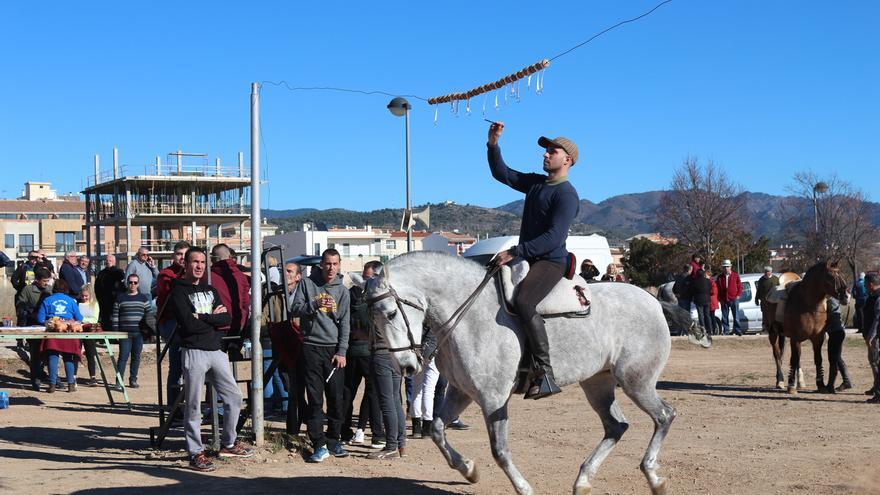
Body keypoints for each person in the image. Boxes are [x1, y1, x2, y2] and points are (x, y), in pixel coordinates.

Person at [486, 121, 580, 400]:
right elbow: (502, 173)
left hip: (551, 261)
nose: (545, 154)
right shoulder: (537, 184)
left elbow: (553, 237)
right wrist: (493, 144)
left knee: (525, 301)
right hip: (528, 255)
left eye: (552, 151)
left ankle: (544, 371)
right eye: (546, 151)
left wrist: (515, 252)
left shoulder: (567, 195)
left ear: (568, 159)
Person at [168, 246, 253, 472]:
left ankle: (228, 443)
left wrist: (204, 317)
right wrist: (212, 319)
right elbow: (188, 324)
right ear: (185, 265)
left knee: (234, 398)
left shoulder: (210, 289)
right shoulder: (178, 292)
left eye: (202, 262)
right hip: (194, 351)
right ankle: (196, 453)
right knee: (194, 404)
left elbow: (226, 317)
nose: (199, 266)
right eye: (194, 262)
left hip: (216, 350)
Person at [290, 248, 351, 462]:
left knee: (336, 398)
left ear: (340, 265)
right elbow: (295, 309)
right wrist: (314, 304)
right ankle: (319, 444)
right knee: (315, 399)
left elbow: (345, 324)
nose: (331, 268)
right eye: (327, 263)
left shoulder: (343, 291)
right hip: (311, 347)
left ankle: (334, 440)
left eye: (335, 264)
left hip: (334, 351)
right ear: (321, 264)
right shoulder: (307, 284)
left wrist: (342, 351)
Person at [342, 261, 384, 446]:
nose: (367, 281)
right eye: (365, 277)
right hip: (353, 352)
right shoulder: (352, 294)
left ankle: (372, 433)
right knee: (348, 393)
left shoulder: (382, 296)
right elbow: (344, 320)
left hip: (371, 353)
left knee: (372, 395)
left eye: (371, 278)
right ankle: (346, 431)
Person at [155, 240, 190, 412]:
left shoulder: (194, 273)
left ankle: (190, 405)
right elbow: (169, 292)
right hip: (171, 322)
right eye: (179, 254)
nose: (182, 258)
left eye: (186, 254)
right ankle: (174, 407)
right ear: (173, 256)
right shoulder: (165, 274)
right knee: (176, 366)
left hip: (188, 323)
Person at [36, 278, 83, 393]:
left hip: (53, 331)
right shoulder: (71, 301)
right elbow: (80, 318)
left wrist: (51, 320)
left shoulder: (47, 300)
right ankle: (71, 384)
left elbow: (40, 318)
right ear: (66, 289)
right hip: (67, 331)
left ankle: (52, 384)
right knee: (68, 357)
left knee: (53, 357)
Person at [112, 273, 151, 389]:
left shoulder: (143, 298)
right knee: (123, 357)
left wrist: (149, 332)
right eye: (130, 282)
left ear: (138, 284)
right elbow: (115, 316)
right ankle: (119, 381)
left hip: (139, 333)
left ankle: (133, 380)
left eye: (135, 282)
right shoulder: (120, 298)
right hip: (124, 333)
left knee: (136, 357)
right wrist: (116, 331)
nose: (132, 284)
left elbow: (149, 316)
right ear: (127, 283)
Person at [16, 267, 52, 390]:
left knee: (48, 354)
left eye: (48, 281)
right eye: (44, 281)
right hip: (32, 327)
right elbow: (20, 306)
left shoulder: (49, 290)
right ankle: (35, 378)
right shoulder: (28, 290)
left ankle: (49, 377)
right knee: (35, 354)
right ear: (37, 279)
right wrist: (30, 312)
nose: (46, 283)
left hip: (48, 328)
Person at [209, 243, 251, 338]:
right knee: (234, 352)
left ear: (212, 259)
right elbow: (246, 302)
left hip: (216, 325)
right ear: (229, 256)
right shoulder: (240, 276)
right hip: (238, 323)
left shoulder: (207, 277)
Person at [823, 297, 852, 393]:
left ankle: (830, 385)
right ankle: (847, 381)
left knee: (833, 359)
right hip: (836, 333)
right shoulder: (831, 300)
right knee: (837, 358)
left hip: (836, 333)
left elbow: (833, 317)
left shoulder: (831, 301)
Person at [861, 273, 880, 403]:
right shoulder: (873, 296)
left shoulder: (878, 297)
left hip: (875, 338)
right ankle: (876, 387)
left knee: (876, 364)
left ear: (871, 284)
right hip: (871, 337)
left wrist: (871, 337)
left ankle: (878, 393)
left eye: (866, 285)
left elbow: (877, 319)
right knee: (873, 363)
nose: (865, 287)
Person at [78, 285, 101, 387]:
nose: (84, 298)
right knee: (76, 352)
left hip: (90, 331)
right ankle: (73, 376)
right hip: (79, 330)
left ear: (90, 295)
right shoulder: (78, 304)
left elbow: (94, 319)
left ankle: (93, 376)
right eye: (83, 296)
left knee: (91, 354)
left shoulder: (94, 304)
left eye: (86, 296)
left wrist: (83, 319)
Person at [95, 254, 125, 331]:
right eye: (107, 260)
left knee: (114, 319)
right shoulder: (101, 273)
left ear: (114, 262)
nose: (108, 262)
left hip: (115, 300)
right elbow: (97, 287)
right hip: (103, 301)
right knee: (105, 319)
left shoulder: (119, 272)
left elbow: (122, 287)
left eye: (110, 261)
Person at [716, 259, 744, 336]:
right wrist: (719, 298)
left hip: (734, 299)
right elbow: (717, 289)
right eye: (724, 267)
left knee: (736, 316)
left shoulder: (735, 275)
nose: (726, 268)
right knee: (724, 316)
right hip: (724, 300)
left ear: (730, 267)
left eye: (727, 267)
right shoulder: (720, 277)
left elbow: (740, 287)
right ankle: (726, 331)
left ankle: (737, 330)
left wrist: (738, 295)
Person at [692, 269, 713, 335]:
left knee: (701, 315)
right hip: (707, 299)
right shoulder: (708, 281)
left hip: (699, 300)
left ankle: (703, 329)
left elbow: (693, 290)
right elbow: (710, 288)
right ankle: (710, 330)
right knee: (707, 315)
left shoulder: (695, 282)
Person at [706, 270, 720, 335]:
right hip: (710, 302)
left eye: (706, 276)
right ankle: (712, 329)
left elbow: (714, 291)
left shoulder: (712, 282)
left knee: (712, 316)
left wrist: (707, 291)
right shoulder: (710, 282)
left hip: (712, 302)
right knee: (710, 316)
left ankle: (714, 329)